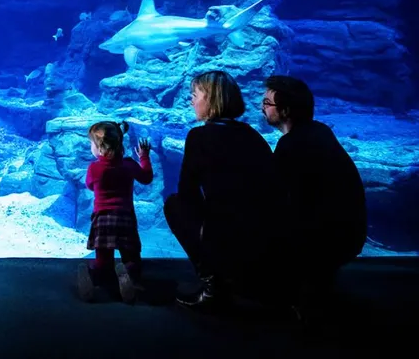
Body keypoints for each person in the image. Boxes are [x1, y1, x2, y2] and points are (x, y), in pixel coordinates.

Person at [163, 70, 283, 310]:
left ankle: (212, 284)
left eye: (195, 95)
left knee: (175, 205)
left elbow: (187, 191)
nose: (191, 101)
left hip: (225, 226)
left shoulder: (198, 136)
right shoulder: (252, 135)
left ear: (211, 100)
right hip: (265, 229)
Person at [263, 75, 367, 315]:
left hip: (325, 241)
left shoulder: (292, 145)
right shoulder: (319, 132)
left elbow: (274, 197)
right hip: (349, 235)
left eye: (267, 103)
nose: (262, 108)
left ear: (286, 110)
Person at [77, 120, 154, 303]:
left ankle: (95, 276)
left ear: (100, 147)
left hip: (103, 219)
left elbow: (89, 185)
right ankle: (131, 278)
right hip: (125, 217)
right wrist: (144, 157)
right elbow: (147, 177)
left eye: (92, 144)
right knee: (131, 256)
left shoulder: (94, 168)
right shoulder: (128, 165)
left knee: (103, 259)